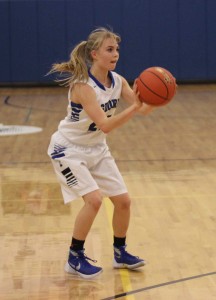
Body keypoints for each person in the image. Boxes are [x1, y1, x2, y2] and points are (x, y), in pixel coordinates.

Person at [47, 27, 154, 279]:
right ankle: (74, 257)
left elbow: (144, 109)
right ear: (94, 54)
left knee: (123, 201)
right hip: (68, 150)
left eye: (116, 49)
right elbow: (106, 124)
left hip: (96, 149)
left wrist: (162, 97)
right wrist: (136, 107)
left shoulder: (118, 81)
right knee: (94, 200)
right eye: (109, 49)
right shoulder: (82, 86)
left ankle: (120, 253)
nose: (115, 53)